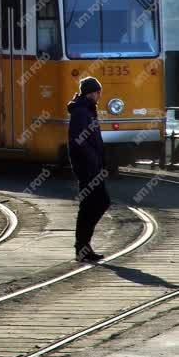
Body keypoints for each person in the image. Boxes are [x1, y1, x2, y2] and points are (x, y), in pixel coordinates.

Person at [67, 76, 111, 263]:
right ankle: (82, 246)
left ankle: (83, 247)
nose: (100, 95)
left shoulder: (88, 110)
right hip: (86, 168)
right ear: (90, 93)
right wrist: (93, 161)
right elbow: (79, 142)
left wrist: (101, 160)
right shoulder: (81, 112)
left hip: (93, 167)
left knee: (95, 204)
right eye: (97, 92)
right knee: (94, 204)